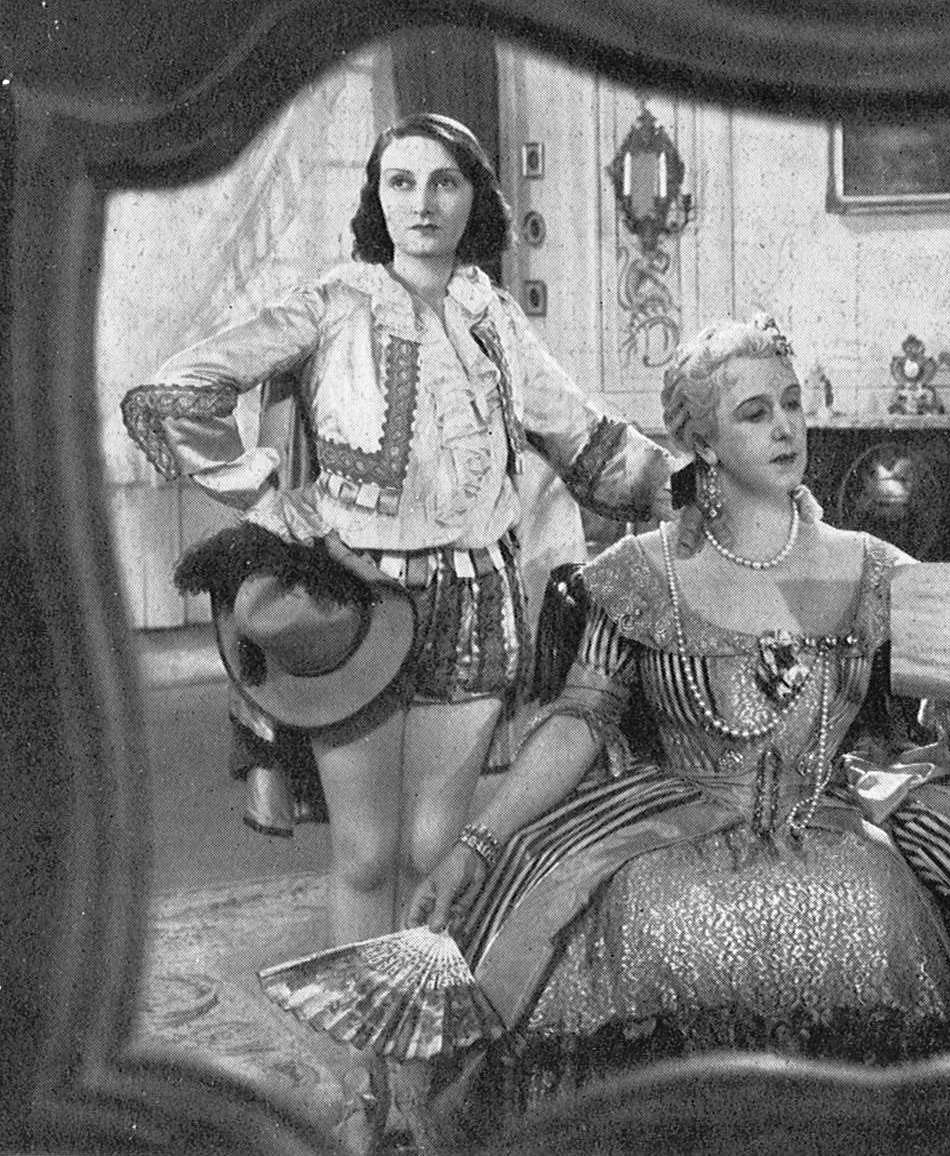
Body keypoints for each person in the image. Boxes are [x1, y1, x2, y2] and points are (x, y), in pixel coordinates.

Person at [407, 314, 950, 1141]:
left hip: (828, 814)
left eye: (792, 404)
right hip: (668, 821)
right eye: (754, 413)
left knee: (874, 906)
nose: (785, 428)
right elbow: (581, 719)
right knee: (643, 911)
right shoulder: (643, 572)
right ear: (703, 443)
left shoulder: (867, 565)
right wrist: (476, 844)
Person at [120, 112, 672, 1147]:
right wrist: (268, 497)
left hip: (474, 597)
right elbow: (177, 391)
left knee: (433, 850)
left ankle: (414, 1085)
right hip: (355, 609)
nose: (422, 203)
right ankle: (362, 1086)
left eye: (444, 182)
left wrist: (679, 476)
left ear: (474, 198)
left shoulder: (491, 314)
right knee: (369, 854)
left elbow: (586, 437)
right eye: (400, 183)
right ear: (376, 199)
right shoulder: (332, 301)